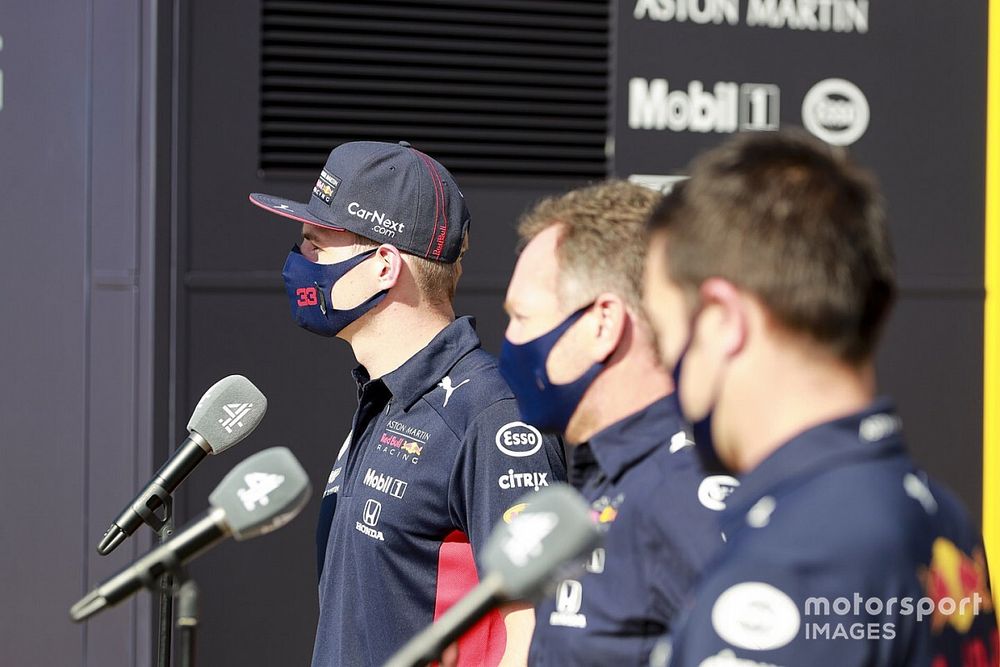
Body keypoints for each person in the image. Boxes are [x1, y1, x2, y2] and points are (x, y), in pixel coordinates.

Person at [642, 130, 998, 666]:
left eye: (663, 337)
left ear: (721, 322)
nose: (665, 372)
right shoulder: (940, 512)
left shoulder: (792, 562)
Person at [249, 140, 567, 667]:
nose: (298, 263)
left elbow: (532, 628)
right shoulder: (384, 397)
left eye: (315, 245)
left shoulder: (490, 414)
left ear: (383, 266)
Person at [498, 181, 732, 666]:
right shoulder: (598, 479)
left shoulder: (683, 496)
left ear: (603, 324)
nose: (509, 340)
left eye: (522, 316)